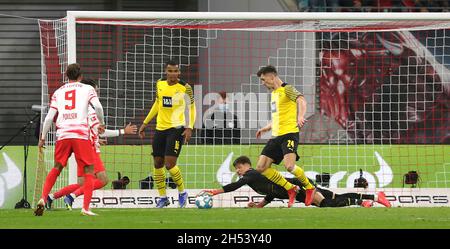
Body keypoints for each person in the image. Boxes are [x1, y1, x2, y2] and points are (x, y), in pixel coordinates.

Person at [45, 79, 137, 210]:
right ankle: (71, 197)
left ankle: (51, 197)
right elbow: (101, 131)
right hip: (90, 150)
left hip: (79, 147)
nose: (97, 93)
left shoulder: (78, 109)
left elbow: (90, 130)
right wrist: (122, 131)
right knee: (103, 180)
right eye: (96, 90)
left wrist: (93, 138)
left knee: (82, 184)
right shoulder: (90, 110)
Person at [35, 63, 105, 216]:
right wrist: (101, 123)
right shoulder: (88, 89)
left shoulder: (58, 92)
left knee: (57, 167)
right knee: (89, 171)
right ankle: (85, 208)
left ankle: (42, 198)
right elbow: (98, 107)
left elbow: (48, 118)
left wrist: (42, 137)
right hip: (80, 135)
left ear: (67, 76)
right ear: (80, 76)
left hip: (63, 135)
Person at [204, 156, 391, 208]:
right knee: (335, 197)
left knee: (327, 204)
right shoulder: (255, 179)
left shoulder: (251, 175)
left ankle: (367, 199)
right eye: (237, 169)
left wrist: (215, 191)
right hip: (300, 187)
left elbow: (233, 186)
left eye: (239, 168)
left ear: (246, 166)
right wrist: (260, 205)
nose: (237, 171)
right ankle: (372, 197)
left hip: (300, 186)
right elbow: (273, 192)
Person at [138, 60, 196, 208]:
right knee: (158, 163)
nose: (172, 74)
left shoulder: (185, 88)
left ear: (179, 72)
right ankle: (163, 197)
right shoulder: (160, 84)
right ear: (166, 72)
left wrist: (189, 127)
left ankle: (182, 192)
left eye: (175, 71)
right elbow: (157, 103)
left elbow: (192, 108)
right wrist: (145, 123)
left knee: (170, 164)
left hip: (176, 129)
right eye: (169, 71)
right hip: (160, 128)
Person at [256, 65, 315, 208]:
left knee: (289, 166)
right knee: (261, 167)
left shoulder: (287, 88)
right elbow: (278, 116)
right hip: (276, 135)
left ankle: (309, 187)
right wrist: (266, 128)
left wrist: (300, 116)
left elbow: (301, 100)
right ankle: (291, 188)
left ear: (272, 76)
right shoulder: (274, 94)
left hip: (289, 133)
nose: (263, 83)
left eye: (264, 80)